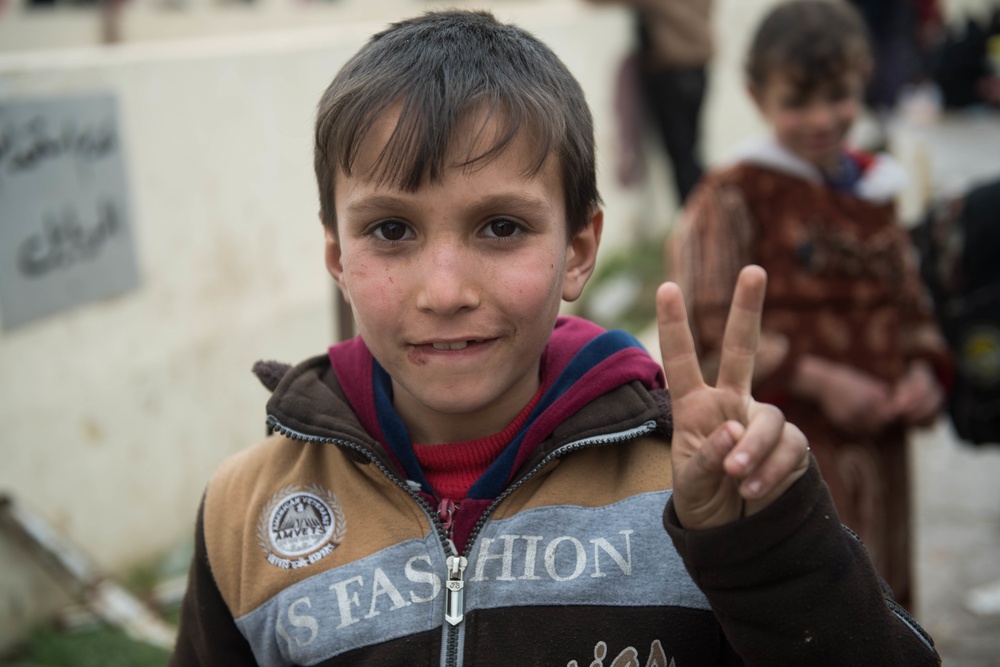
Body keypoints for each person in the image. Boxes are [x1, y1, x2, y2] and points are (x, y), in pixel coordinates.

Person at [170, 9, 941, 665]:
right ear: (338, 255)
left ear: (577, 249)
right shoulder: (247, 514)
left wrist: (766, 543)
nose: (445, 291)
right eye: (391, 229)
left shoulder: (686, 489)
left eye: (501, 226)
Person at [670, 0, 952, 614]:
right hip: (784, 451)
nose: (822, 118)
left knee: (881, 605)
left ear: (864, 79)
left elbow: (911, 303)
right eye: (798, 101)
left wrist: (925, 371)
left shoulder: (877, 190)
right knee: (806, 610)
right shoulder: (734, 196)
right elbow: (706, 327)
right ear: (756, 94)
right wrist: (818, 379)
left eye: (839, 95)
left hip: (882, 454)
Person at [589, 0, 713, 203]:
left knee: (683, 157)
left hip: (674, 70)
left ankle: (699, 218)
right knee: (689, 153)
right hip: (695, 65)